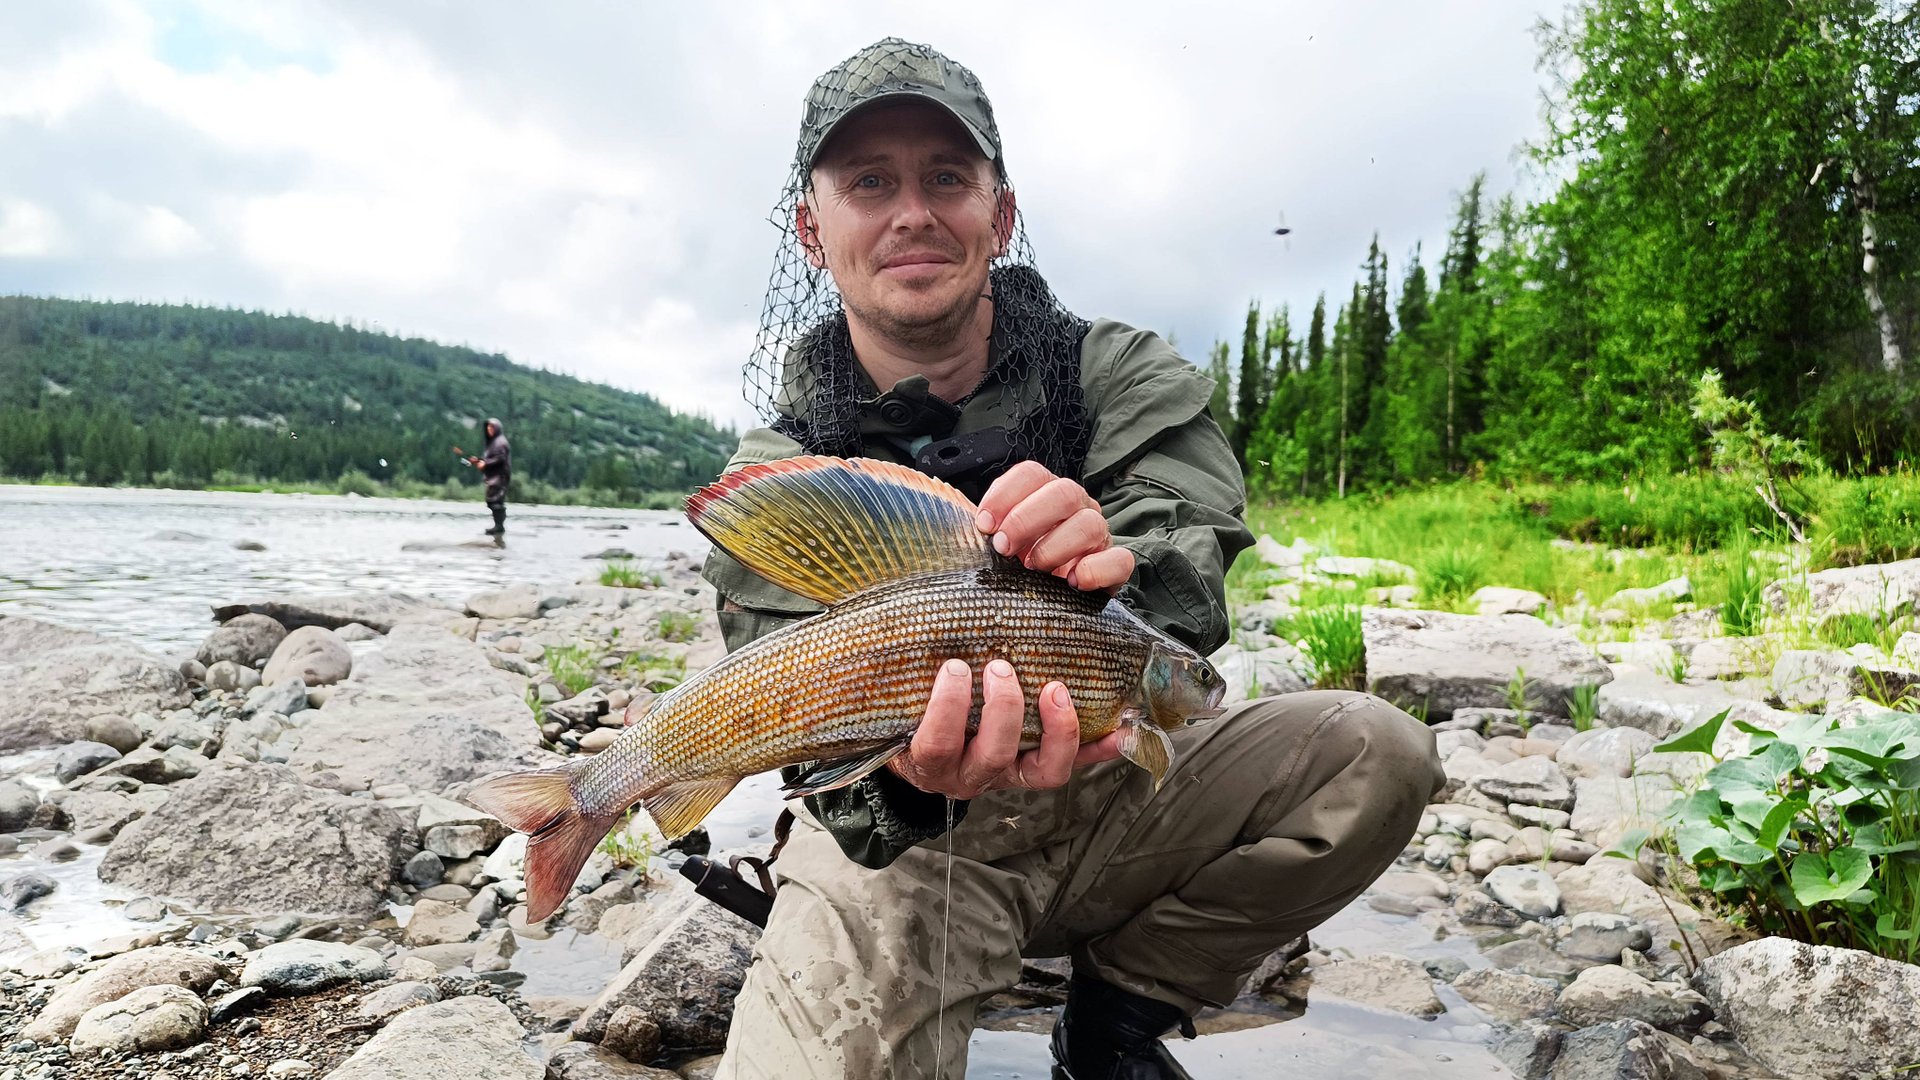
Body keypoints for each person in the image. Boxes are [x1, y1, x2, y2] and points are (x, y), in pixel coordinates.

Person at [701, 39, 1445, 1080]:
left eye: (947, 178)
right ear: (811, 228)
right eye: (869, 182)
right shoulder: (779, 475)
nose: (913, 211)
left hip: (1117, 790)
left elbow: (1185, 577)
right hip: (912, 850)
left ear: (998, 215)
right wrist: (913, 777)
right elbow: (825, 779)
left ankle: (1115, 1019)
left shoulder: (1117, 370)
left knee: (1375, 753)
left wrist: (1110, 563)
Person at [466, 418, 511, 535]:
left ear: (497, 429)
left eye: (491, 427)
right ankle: (499, 526)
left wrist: (485, 463)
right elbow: (491, 458)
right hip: (494, 477)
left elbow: (500, 458)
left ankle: (499, 526)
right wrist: (478, 461)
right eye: (488, 428)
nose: (489, 429)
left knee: (495, 501)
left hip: (500, 477)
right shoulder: (493, 443)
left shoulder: (501, 442)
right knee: (492, 501)